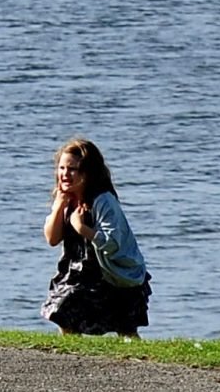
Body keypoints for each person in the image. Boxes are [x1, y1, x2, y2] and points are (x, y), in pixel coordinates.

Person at [41, 137, 148, 337]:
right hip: (79, 272)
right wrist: (59, 207)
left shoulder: (103, 201)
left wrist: (82, 228)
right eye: (62, 168)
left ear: (88, 173)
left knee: (125, 329)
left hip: (113, 274)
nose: (65, 174)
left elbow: (113, 244)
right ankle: (71, 355)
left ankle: (138, 359)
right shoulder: (65, 198)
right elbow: (52, 239)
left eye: (72, 169)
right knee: (62, 309)